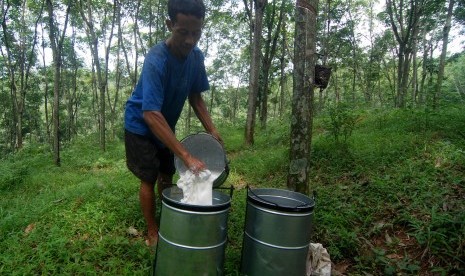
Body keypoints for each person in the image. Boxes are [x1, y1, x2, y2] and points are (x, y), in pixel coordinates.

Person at [123, 0, 223, 247]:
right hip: (141, 124)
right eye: (183, 32)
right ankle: (152, 231)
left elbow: (196, 97)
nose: (190, 40)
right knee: (148, 176)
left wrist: (212, 130)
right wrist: (186, 155)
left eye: (196, 33)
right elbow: (150, 114)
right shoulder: (157, 59)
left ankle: (169, 216)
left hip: (164, 125)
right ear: (170, 25)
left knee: (167, 174)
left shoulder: (195, 57)